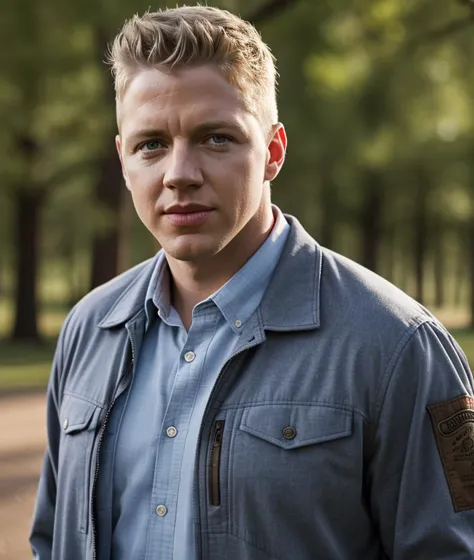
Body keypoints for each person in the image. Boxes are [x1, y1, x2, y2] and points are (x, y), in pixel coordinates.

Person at [30, 5, 474, 559]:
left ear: (272, 151)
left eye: (215, 138)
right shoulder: (87, 330)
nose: (179, 174)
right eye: (151, 145)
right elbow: (52, 541)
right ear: (123, 160)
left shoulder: (398, 347)